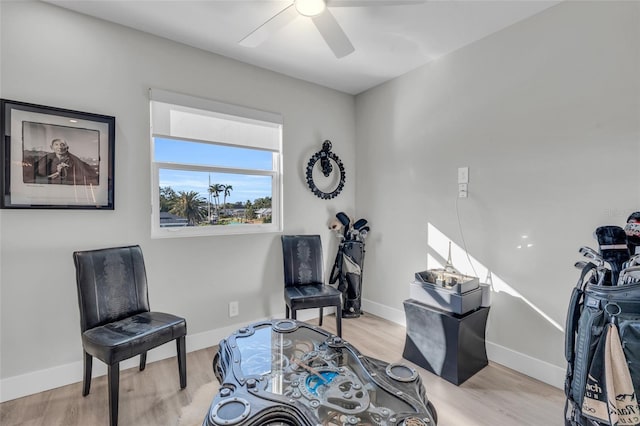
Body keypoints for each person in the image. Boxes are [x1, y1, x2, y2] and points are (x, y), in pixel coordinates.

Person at [34, 138, 99, 185]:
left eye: (62, 145)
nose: (59, 147)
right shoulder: (47, 158)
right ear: (51, 147)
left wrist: (68, 171)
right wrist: (51, 176)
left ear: (67, 148)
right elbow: (36, 174)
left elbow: (87, 174)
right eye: (56, 144)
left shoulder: (74, 160)